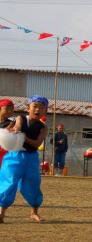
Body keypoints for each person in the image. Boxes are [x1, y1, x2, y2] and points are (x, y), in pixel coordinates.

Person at [0, 95, 49, 223]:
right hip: (15, 156)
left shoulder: (43, 128)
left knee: (33, 184)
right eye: (35, 106)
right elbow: (18, 126)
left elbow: (36, 144)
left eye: (42, 107)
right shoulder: (20, 118)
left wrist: (23, 136)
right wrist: (14, 130)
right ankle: (1, 213)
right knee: (9, 182)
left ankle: (34, 212)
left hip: (31, 158)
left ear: (45, 111)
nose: (38, 109)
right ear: (28, 108)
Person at [0, 98, 15, 168]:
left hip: (4, 152)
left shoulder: (11, 123)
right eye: (7, 109)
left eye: (12, 109)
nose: (10, 111)